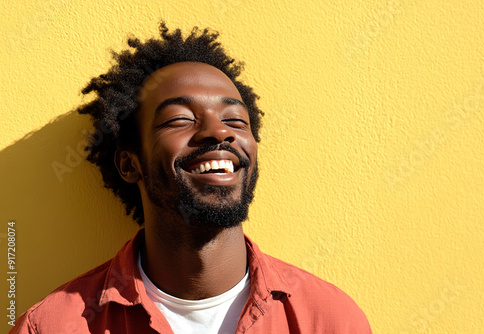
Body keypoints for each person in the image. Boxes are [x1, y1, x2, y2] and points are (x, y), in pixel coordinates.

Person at [10, 23, 371, 334]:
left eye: (235, 121)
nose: (218, 133)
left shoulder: (328, 319)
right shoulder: (54, 326)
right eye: (179, 119)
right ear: (128, 164)